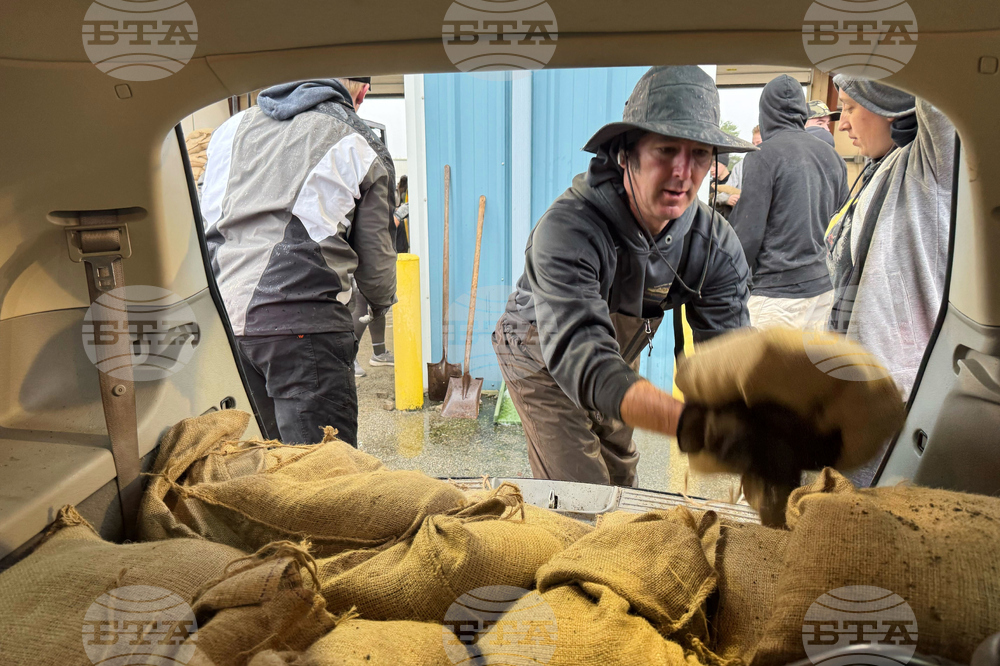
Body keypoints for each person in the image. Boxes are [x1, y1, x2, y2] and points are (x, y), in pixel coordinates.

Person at [492, 66, 757, 487]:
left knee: (622, 481)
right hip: (540, 347)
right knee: (583, 492)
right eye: (666, 150)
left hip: (615, 352)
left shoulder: (715, 247)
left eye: (700, 154)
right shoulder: (569, 230)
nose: (683, 172)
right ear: (624, 153)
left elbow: (726, 360)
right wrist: (688, 424)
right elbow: (585, 359)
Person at [201, 77, 397, 447]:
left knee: (266, 459)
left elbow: (207, 223)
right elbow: (376, 260)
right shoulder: (358, 138)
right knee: (321, 470)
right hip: (304, 327)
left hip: (230, 322)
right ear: (362, 91)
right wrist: (380, 302)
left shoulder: (229, 130)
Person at [827, 75, 955, 400]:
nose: (842, 125)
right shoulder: (879, 167)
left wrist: (851, 65)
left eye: (849, 107)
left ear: (887, 106)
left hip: (897, 385)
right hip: (859, 373)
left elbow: (937, 81)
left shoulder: (928, 164)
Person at [728, 75, 848, 330]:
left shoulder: (763, 156)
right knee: (808, 370)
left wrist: (721, 281)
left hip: (776, 296)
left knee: (765, 371)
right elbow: (842, 228)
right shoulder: (833, 157)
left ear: (765, 113)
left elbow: (746, 236)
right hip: (823, 292)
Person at [353, 175, 408, 377]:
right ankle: (349, 359)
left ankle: (379, 352)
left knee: (379, 303)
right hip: (366, 255)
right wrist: (399, 215)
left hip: (378, 253)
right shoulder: (365, 193)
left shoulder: (377, 191)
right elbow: (373, 227)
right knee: (361, 303)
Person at [708, 152, 739, 218]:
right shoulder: (710, 185)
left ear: (725, 164)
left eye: (715, 165)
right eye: (709, 165)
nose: (711, 170)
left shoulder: (735, 183)